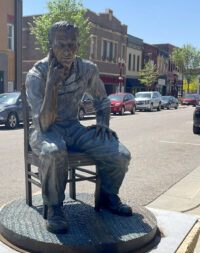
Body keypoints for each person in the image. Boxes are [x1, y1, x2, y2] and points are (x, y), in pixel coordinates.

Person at [25, 21, 132, 234]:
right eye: (61, 45)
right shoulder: (36, 74)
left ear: (77, 45)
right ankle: (55, 207)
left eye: (71, 45)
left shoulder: (87, 69)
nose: (67, 51)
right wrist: (51, 84)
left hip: (74, 127)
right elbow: (44, 123)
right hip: (44, 130)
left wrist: (102, 124)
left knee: (120, 154)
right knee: (54, 151)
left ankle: (108, 196)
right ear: (50, 45)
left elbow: (102, 100)